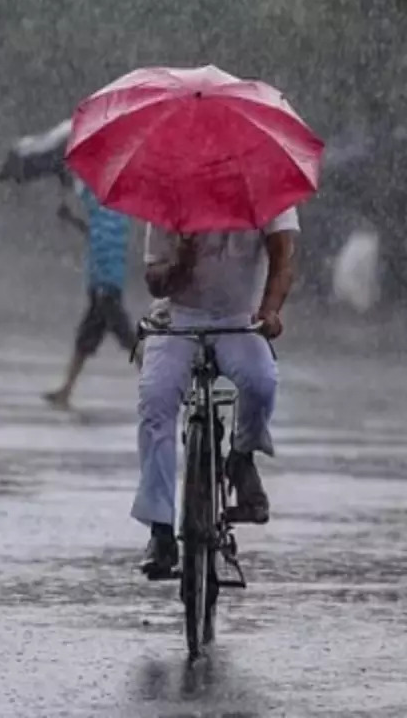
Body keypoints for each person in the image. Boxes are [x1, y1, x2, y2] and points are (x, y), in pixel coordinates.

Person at [135, 209, 299, 576]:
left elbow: (283, 258)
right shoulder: (170, 197)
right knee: (155, 401)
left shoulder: (266, 190)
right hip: (177, 318)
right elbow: (154, 281)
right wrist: (181, 263)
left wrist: (270, 311)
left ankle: (241, 457)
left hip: (238, 320)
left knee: (262, 382)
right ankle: (160, 529)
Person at [43, 175, 138, 409]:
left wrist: (67, 181)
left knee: (128, 340)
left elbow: (85, 194)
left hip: (105, 288)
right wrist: (72, 218)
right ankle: (66, 390)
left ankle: (163, 388)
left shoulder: (106, 210)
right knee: (85, 341)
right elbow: (93, 233)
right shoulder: (114, 215)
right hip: (102, 287)